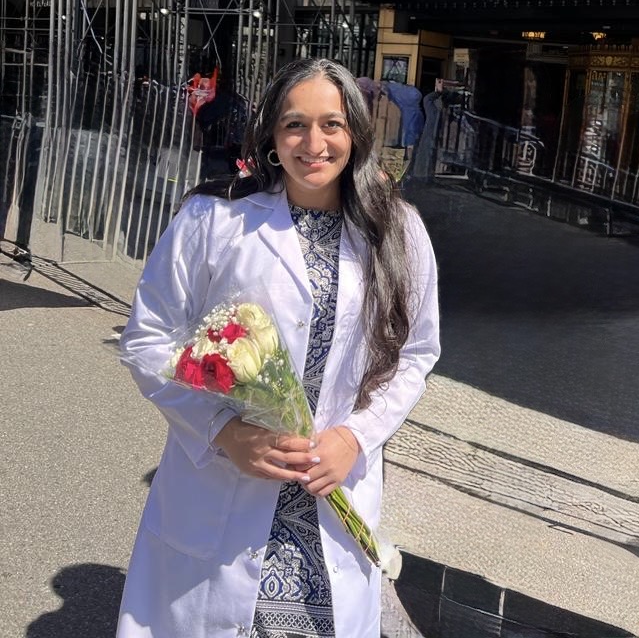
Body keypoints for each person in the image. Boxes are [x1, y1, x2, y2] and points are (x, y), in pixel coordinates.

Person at [116, 57, 440, 638]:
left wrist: (355, 437)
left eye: (332, 125)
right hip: (225, 485)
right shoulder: (213, 217)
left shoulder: (398, 230)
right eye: (294, 124)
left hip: (330, 493)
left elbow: (415, 353)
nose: (313, 143)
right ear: (270, 134)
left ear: (357, 134)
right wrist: (223, 432)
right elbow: (148, 337)